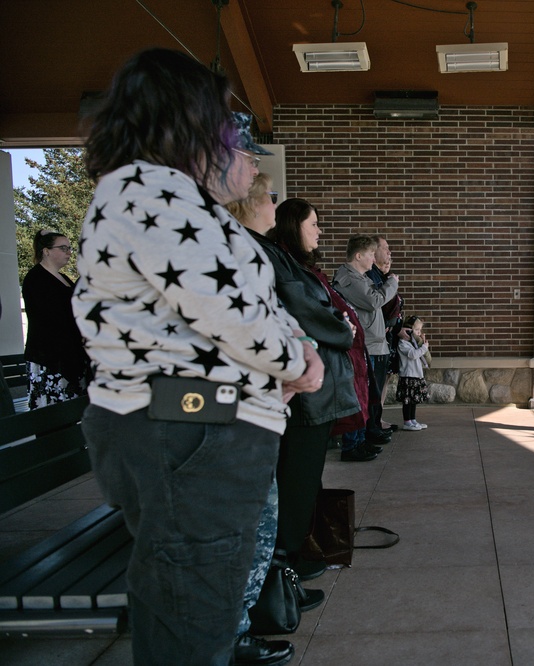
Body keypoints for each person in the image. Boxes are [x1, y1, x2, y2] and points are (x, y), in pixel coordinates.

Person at [72, 48, 324, 666]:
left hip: (196, 426)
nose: (237, 138)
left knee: (198, 612)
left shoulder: (162, 194)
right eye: (227, 123)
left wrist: (278, 368)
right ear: (188, 121)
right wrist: (300, 364)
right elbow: (227, 311)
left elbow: (217, 312)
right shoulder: (148, 189)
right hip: (189, 430)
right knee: (191, 622)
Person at [225, 169, 330, 635]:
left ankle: (257, 605)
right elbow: (259, 319)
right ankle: (239, 625)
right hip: (239, 406)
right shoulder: (241, 249)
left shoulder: (261, 251)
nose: (274, 202)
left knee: (269, 507)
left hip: (265, 399)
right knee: (259, 513)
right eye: (269, 195)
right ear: (246, 202)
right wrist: (299, 355)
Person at [270, 201, 380, 465]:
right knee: (300, 474)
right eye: (314, 224)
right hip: (306, 390)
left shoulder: (298, 265)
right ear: (294, 226)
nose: (319, 232)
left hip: (320, 383)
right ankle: (354, 444)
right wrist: (343, 328)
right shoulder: (282, 263)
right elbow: (307, 311)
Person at [334, 234, 398, 446]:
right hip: (365, 344)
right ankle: (354, 443)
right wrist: (391, 284)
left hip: (374, 342)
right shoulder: (349, 278)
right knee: (361, 395)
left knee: (372, 394)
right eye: (371, 254)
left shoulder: (363, 278)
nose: (373, 258)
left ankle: (366, 435)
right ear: (359, 255)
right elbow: (373, 301)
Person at [21, 229, 89, 409]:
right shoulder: (36, 279)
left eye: (69, 248)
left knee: (74, 410)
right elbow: (52, 318)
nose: (68, 252)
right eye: (63, 248)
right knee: (54, 415)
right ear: (46, 251)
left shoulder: (64, 278)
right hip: (50, 357)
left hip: (70, 353)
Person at [366, 234, 403, 431]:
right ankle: (373, 423)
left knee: (384, 379)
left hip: (388, 337)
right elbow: (380, 305)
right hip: (377, 338)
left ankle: (377, 420)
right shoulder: (372, 276)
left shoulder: (383, 276)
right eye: (385, 248)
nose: (389, 252)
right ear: (373, 252)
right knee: (375, 383)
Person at [396, 315, 430, 431]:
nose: (419, 333)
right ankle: (407, 421)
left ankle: (413, 420)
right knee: (407, 401)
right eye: (416, 330)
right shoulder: (403, 343)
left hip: (415, 375)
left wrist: (422, 346)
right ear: (408, 329)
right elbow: (413, 355)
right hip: (408, 376)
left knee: (414, 400)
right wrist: (424, 348)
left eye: (420, 331)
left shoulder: (414, 343)